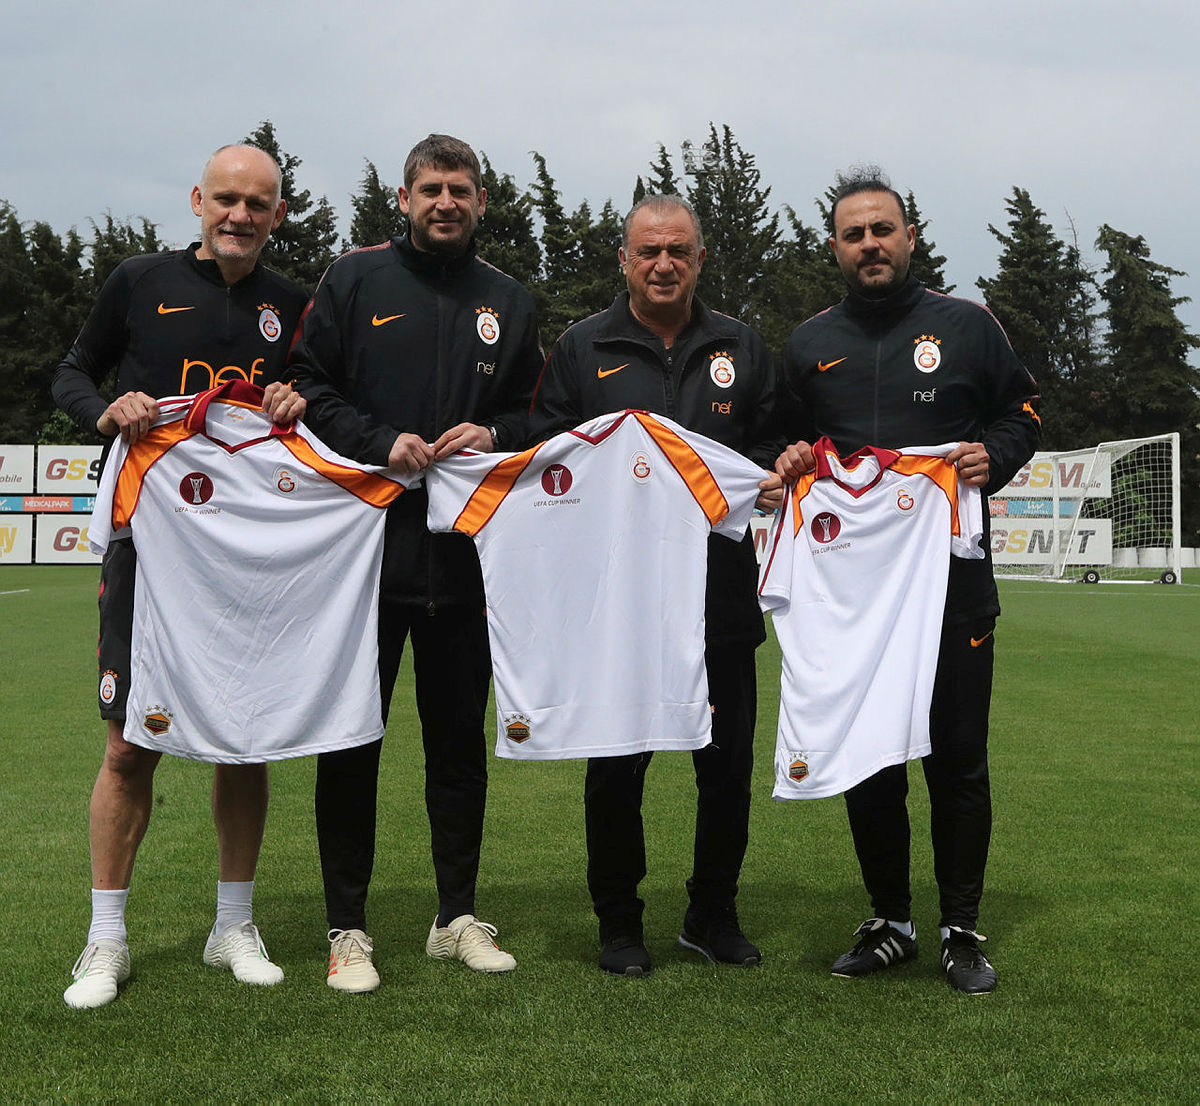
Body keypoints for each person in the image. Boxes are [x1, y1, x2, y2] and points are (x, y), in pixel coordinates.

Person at [52, 145, 309, 1009]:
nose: (240, 215)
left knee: (245, 737)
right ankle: (106, 939)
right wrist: (106, 410)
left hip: (246, 550)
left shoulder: (293, 304)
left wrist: (298, 399)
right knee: (129, 744)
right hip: (148, 542)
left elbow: (322, 399)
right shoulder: (139, 280)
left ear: (278, 214)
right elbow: (69, 372)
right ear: (199, 200)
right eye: (226, 199)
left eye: (258, 204)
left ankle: (232, 924)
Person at [774, 167, 1040, 994]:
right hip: (855, 599)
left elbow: (1023, 412)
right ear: (834, 248)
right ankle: (891, 921)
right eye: (853, 234)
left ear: (910, 237)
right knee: (869, 760)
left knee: (957, 760)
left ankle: (961, 929)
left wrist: (994, 455)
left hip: (954, 586)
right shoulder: (810, 344)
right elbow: (781, 440)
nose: (870, 245)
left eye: (882, 229)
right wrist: (788, 457)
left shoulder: (967, 325)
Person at [289, 134, 543, 992]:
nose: (445, 202)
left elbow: (541, 412)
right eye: (430, 188)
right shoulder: (354, 278)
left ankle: (454, 917)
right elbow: (307, 385)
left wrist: (496, 432)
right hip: (362, 559)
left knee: (458, 751)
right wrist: (377, 442)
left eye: (460, 189)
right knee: (350, 744)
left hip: (466, 561)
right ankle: (348, 929)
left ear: (481, 201)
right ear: (403, 199)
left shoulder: (509, 298)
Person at [530, 193, 783, 976]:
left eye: (678, 251)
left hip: (720, 599)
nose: (664, 264)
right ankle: (618, 922)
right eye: (649, 251)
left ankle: (713, 914)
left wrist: (781, 467)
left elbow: (775, 443)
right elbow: (547, 460)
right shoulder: (583, 347)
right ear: (625, 260)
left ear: (700, 259)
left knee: (726, 771)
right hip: (620, 609)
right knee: (615, 768)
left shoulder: (741, 347)